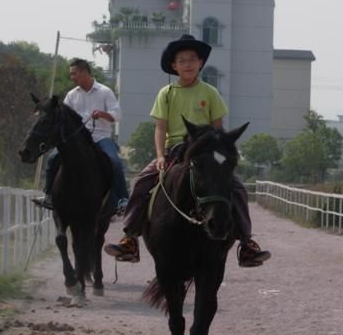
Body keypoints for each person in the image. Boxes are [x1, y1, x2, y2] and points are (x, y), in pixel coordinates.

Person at [104, 34, 271, 268]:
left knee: (238, 188)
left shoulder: (210, 92)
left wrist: (219, 156)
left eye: (192, 59)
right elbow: (160, 128)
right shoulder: (166, 93)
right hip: (175, 150)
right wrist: (161, 156)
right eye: (182, 60)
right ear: (174, 66)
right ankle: (130, 237)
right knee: (141, 182)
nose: (188, 64)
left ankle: (246, 243)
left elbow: (218, 129)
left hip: (206, 151)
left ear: (200, 63)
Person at [33, 58, 129, 213]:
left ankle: (122, 199)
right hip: (76, 139)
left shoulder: (105, 91)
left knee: (114, 161)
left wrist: (103, 114)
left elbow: (117, 115)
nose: (72, 77)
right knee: (51, 159)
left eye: (74, 73)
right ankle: (48, 195)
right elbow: (63, 118)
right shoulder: (71, 95)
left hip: (101, 137)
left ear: (85, 72)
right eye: (71, 74)